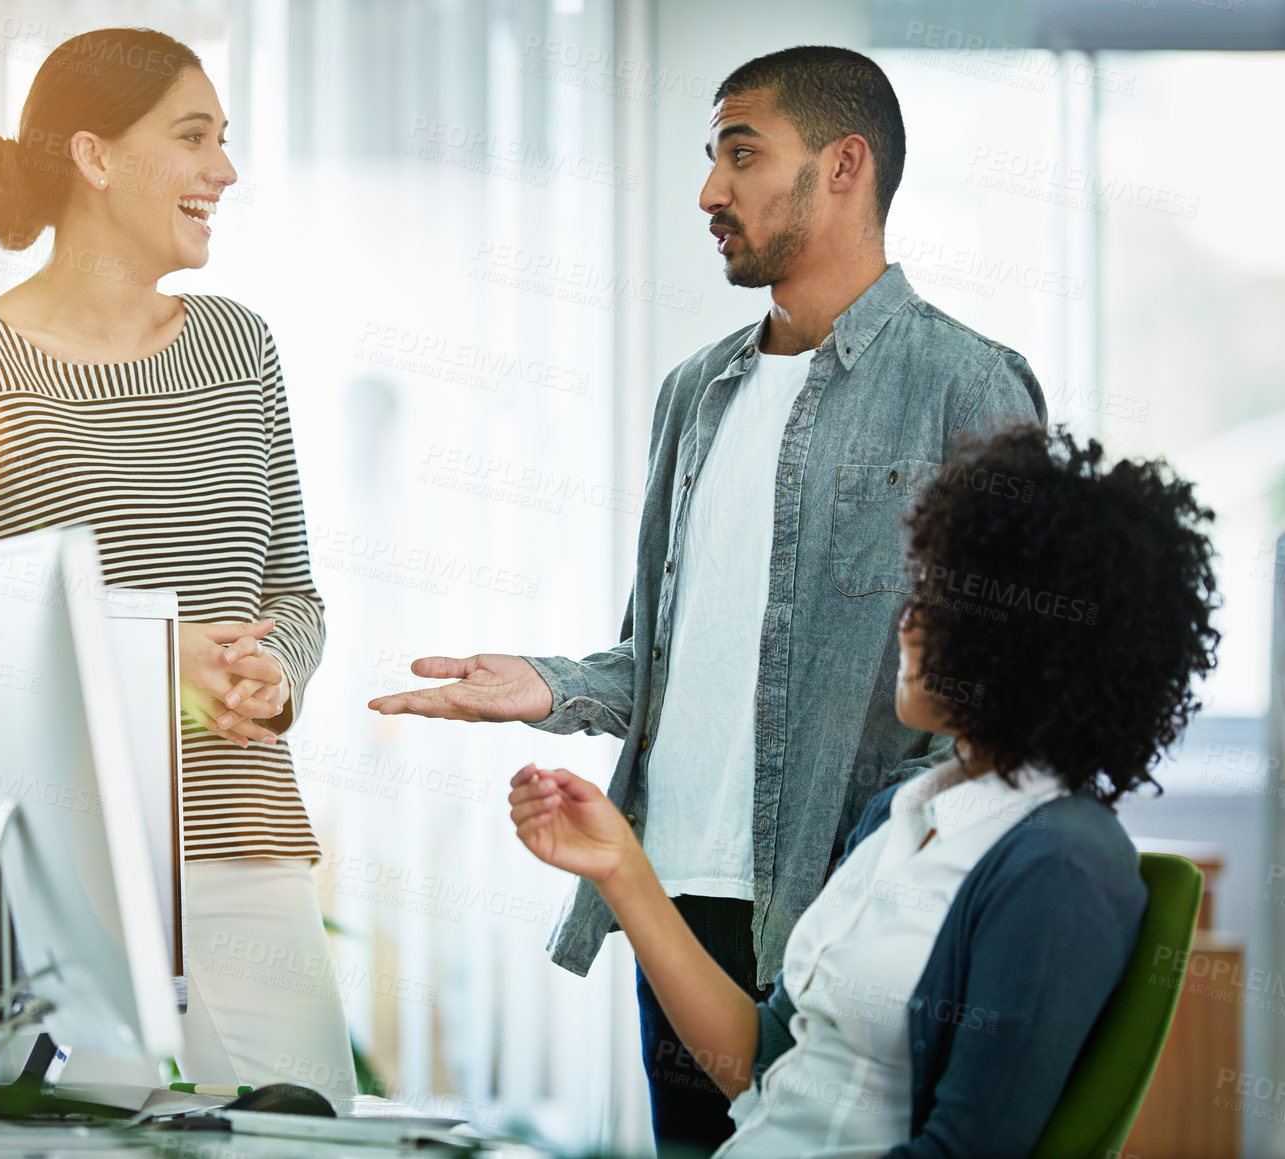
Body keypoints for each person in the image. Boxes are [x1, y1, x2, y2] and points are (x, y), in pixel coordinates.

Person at [370, 45, 1046, 1149]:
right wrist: (548, 687)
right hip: (672, 892)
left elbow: (1005, 686)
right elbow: (667, 657)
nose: (709, 193)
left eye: (743, 154)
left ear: (844, 166)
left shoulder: (969, 385)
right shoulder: (696, 394)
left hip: (845, 909)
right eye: (709, 157)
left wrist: (912, 870)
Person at [0, 27, 356, 1094]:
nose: (224, 169)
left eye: (224, 138)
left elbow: (291, 594)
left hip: (244, 843)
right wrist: (143, 664)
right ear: (95, 156)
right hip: (57, 870)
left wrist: (280, 671)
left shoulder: (240, 346)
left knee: (307, 1136)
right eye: (192, 136)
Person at [509, 423, 1220, 1157]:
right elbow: (760, 1065)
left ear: (1025, 639)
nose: (908, 619)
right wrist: (621, 867)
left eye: (943, 595)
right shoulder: (904, 810)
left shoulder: (1058, 863)